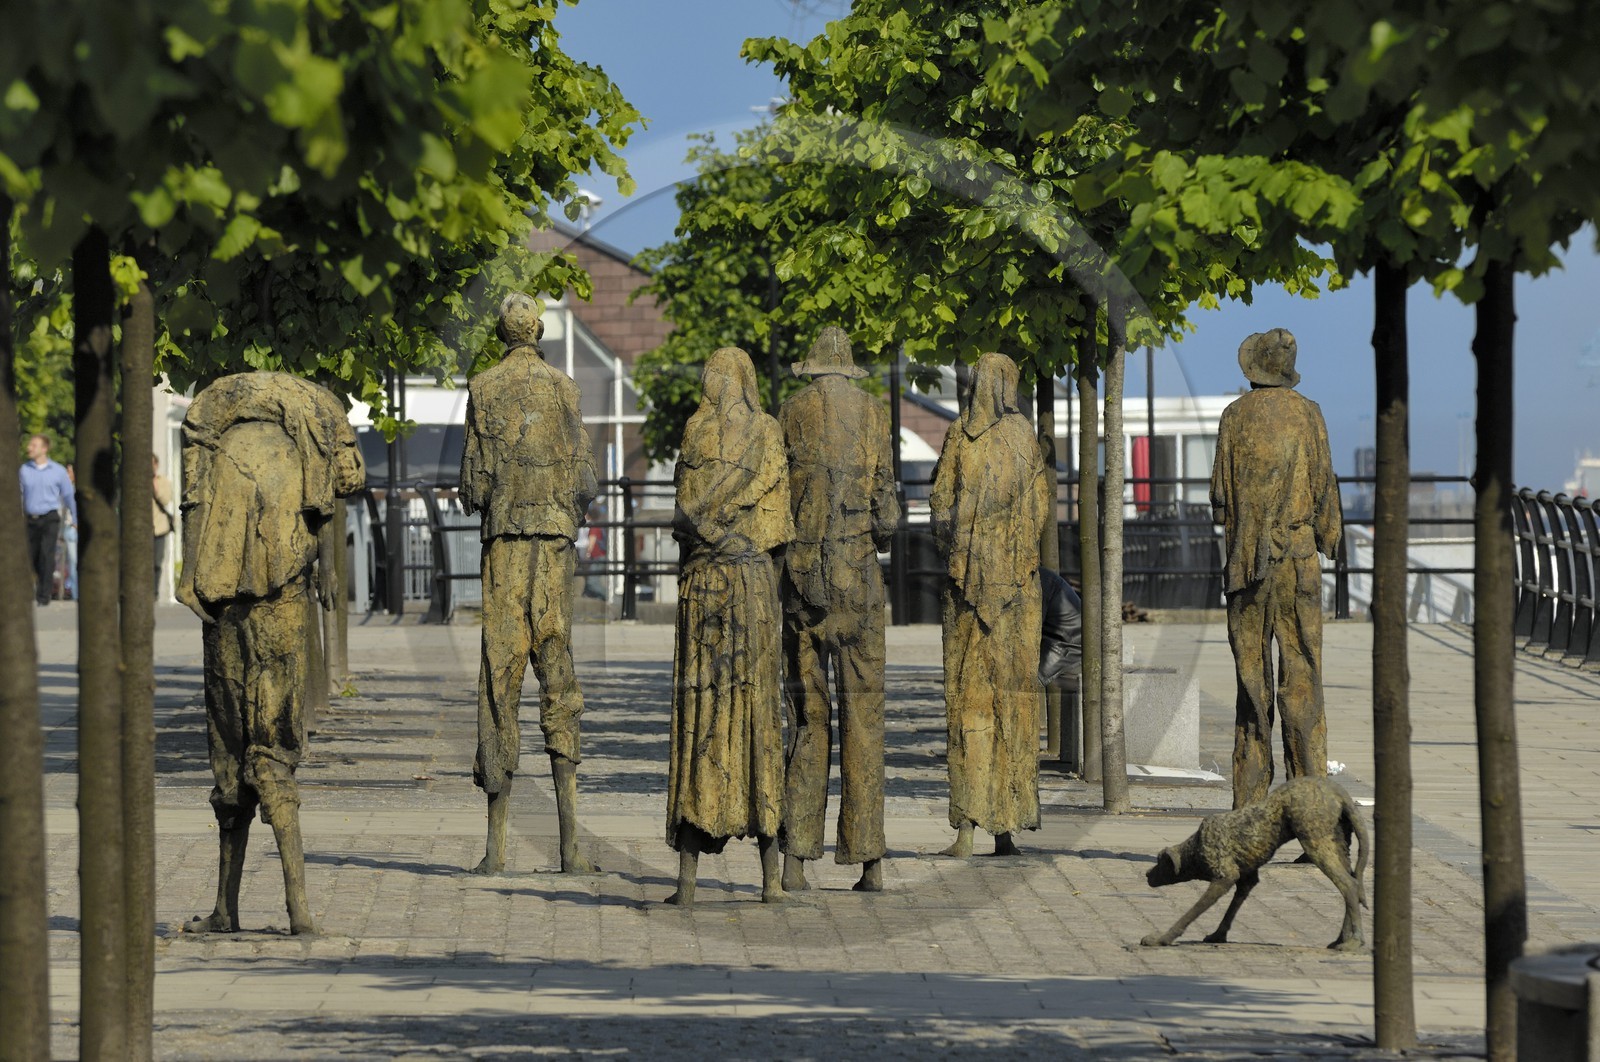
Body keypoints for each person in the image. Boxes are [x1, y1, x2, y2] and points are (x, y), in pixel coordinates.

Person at [177, 372, 365, 934]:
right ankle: (296, 911)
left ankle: (228, 909)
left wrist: (190, 574)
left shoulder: (215, 421)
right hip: (281, 592)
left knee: (231, 745)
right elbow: (333, 497)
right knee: (274, 746)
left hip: (223, 594)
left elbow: (194, 498)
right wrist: (328, 569)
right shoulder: (314, 419)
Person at [460, 292, 598, 875]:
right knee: (558, 674)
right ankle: (571, 846)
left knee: (501, 680)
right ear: (538, 331)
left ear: (501, 332)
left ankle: (495, 849)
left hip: (506, 548)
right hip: (554, 546)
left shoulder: (483, 388)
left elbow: (473, 486)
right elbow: (586, 479)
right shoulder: (565, 388)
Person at [664, 347, 794, 905]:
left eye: (710, 374)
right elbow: (778, 525)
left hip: (706, 588)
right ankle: (769, 879)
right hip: (752, 584)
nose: (706, 382)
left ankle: (691, 882)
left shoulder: (697, 432)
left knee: (703, 713)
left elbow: (681, 516)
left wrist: (704, 537)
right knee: (758, 714)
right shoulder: (765, 432)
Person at [777, 327, 900, 894]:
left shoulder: (789, 412)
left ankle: (796, 859)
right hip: (859, 583)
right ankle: (869, 857)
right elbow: (889, 517)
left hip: (802, 586)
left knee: (807, 719)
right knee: (864, 719)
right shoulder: (874, 415)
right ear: (848, 367)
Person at [1209, 328, 1343, 809]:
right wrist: (1325, 534)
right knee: (1304, 679)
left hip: (1247, 566)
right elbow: (1327, 493)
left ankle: (1248, 810)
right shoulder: (1309, 414)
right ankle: (1313, 814)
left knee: (1252, 686)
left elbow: (1221, 502)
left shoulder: (1234, 417)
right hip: (1299, 560)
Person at [930, 352, 1050, 858]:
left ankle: (970, 829)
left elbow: (939, 506)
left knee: (968, 703)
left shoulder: (960, 436)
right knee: (1013, 702)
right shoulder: (1026, 439)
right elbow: (1041, 509)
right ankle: (1006, 826)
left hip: (969, 590)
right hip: (1018, 592)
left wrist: (960, 550)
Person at [19, 433, 77, 606]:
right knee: (33, 555)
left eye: (34, 445)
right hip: (30, 519)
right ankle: (38, 585)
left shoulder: (58, 471)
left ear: (44, 449)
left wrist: (75, 518)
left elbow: (68, 496)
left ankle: (43, 596)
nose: (29, 448)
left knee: (47, 553)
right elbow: (18, 495)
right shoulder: (24, 470)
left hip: (50, 517)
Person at [153, 453, 174, 598]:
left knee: (157, 562)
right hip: (143, 530)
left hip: (159, 528)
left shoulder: (163, 481)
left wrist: (154, 486)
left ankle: (154, 593)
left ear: (156, 465)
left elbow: (166, 500)